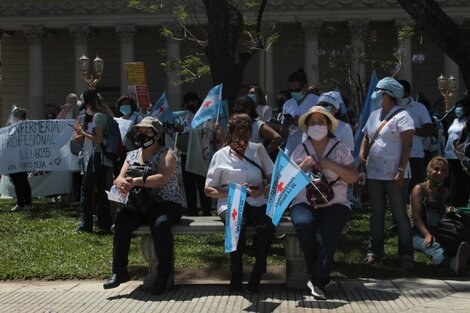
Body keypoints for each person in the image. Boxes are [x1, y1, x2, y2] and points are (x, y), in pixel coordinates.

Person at [103, 116, 186, 295]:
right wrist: (121, 183)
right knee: (122, 222)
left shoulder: (167, 154)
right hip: (140, 203)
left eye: (147, 131)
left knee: (160, 225)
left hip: (166, 203)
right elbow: (119, 177)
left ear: (157, 135)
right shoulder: (131, 155)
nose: (142, 135)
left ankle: (163, 274)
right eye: (140, 131)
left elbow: (161, 179)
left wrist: (135, 182)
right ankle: (120, 272)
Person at [290, 106, 358, 300]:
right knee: (303, 223)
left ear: (328, 125)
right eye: (312, 123)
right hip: (304, 200)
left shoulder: (340, 148)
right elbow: (286, 183)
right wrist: (302, 167)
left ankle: (317, 280)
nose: (317, 126)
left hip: (336, 202)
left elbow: (353, 177)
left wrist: (331, 164)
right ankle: (320, 275)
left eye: (321, 122)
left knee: (330, 229)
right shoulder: (300, 150)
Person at [204, 113, 275, 293]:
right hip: (230, 202)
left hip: (257, 200)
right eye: (238, 136)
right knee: (237, 225)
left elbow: (274, 179)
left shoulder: (258, 150)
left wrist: (263, 190)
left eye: (246, 136)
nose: (243, 141)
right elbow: (208, 189)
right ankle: (236, 272)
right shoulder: (220, 156)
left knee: (266, 227)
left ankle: (258, 272)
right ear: (230, 134)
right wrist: (231, 192)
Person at [359, 77, 415, 269]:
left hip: (394, 174)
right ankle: (373, 251)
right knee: (377, 213)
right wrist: (362, 155)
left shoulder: (403, 116)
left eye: (378, 91)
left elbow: (407, 145)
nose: (375, 94)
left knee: (399, 214)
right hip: (374, 172)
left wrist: (400, 169)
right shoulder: (374, 114)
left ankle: (406, 254)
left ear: (388, 95)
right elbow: (366, 136)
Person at [409, 156, 470, 275]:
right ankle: (452, 263)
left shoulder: (444, 192)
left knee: (455, 243)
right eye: (436, 169)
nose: (439, 173)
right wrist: (427, 234)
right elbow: (416, 217)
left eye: (443, 171)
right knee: (434, 247)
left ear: (446, 174)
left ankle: (464, 261)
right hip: (417, 233)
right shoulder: (419, 189)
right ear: (428, 171)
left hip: (438, 231)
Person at [73, 89, 115, 233]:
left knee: (86, 189)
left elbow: (97, 139)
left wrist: (83, 133)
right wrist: (81, 134)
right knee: (101, 191)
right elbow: (79, 139)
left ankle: (86, 225)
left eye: (84, 106)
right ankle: (104, 224)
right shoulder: (100, 115)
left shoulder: (98, 116)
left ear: (89, 104)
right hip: (96, 157)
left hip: (97, 156)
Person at [175, 91, 213, 216]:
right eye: (187, 102)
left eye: (192, 101)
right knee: (188, 183)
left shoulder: (206, 116)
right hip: (187, 153)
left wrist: (185, 129)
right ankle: (192, 209)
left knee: (202, 182)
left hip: (201, 153)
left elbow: (204, 131)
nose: (189, 104)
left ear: (197, 101)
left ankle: (206, 210)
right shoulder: (188, 116)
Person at [398, 80, 434, 195]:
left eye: (400, 92)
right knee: (398, 191)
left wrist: (411, 130)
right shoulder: (392, 107)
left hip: (414, 156)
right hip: (394, 157)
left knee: (416, 191)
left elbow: (429, 130)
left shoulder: (419, 108)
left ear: (407, 92)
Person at [281, 68, 319, 157]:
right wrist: (286, 125)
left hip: (310, 152)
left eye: (297, 90)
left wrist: (302, 123)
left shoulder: (317, 101)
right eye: (291, 90)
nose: (294, 93)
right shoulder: (287, 104)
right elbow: (284, 135)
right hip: (290, 150)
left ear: (305, 86)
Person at [443, 95, 470, 207]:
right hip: (449, 154)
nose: (458, 108)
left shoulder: (468, 121)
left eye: (461, 106)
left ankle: (461, 200)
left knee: (460, 179)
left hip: (460, 155)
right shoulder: (454, 120)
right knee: (451, 180)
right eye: (457, 106)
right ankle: (452, 200)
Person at [8, 108, 33, 212]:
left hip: (22, 158)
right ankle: (22, 203)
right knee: (18, 181)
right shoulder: (13, 127)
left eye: (14, 116)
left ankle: (26, 203)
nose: (12, 118)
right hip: (14, 158)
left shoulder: (26, 127)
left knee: (22, 181)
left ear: (19, 117)